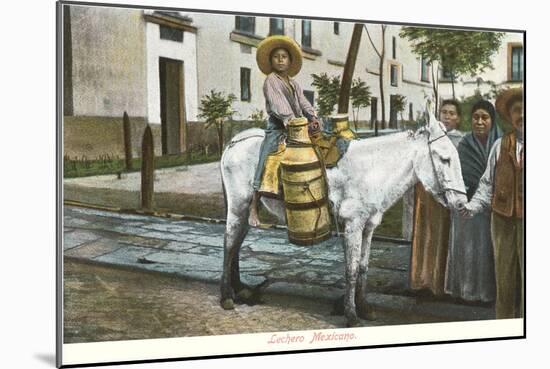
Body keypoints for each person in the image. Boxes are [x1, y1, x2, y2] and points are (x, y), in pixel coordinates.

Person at [459, 88, 524, 318]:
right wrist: (473, 206)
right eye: (518, 111)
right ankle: (505, 325)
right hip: (502, 220)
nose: (523, 116)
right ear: (510, 116)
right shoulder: (500, 146)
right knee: (504, 278)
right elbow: (487, 184)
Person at [249, 36, 320, 226]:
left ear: (289, 61)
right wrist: (291, 120)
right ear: (271, 61)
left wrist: (313, 116)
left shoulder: (293, 83)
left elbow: (303, 102)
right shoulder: (271, 81)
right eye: (276, 57)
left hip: (298, 127)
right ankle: (254, 207)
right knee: (268, 159)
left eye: (284, 57)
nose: (280, 60)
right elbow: (278, 104)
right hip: (279, 127)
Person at [445, 100, 501, 303]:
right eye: (476, 117)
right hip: (466, 204)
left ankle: (487, 294)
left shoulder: (500, 143)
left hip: (493, 207)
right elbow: (456, 174)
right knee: (467, 249)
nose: (479, 122)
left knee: (487, 250)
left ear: (492, 120)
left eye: (484, 117)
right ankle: (465, 292)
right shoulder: (464, 144)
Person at [409, 99, 464, 296]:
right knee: (423, 233)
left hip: (445, 195)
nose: (448, 117)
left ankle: (438, 283)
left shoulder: (459, 140)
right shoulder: (427, 137)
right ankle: (420, 281)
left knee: (442, 236)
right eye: (444, 113)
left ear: (458, 118)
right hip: (426, 192)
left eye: (452, 113)